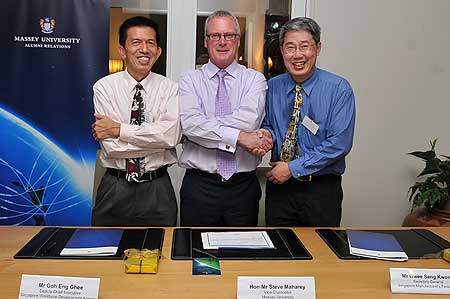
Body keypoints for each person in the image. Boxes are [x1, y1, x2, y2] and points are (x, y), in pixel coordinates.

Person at [178, 10, 271, 226]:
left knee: (240, 257)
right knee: (196, 253)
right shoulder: (190, 80)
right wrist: (241, 137)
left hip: (242, 188)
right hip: (200, 187)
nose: (222, 42)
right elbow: (190, 124)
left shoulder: (255, 80)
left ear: (237, 40)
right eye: (215, 36)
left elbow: (249, 121)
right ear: (205, 41)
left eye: (229, 35)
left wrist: (205, 126)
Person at [261, 17, 356, 227]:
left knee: (321, 254)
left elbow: (339, 143)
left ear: (318, 48)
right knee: (280, 251)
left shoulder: (339, 88)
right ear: (282, 50)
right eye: (290, 47)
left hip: (320, 190)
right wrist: (265, 136)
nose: (297, 55)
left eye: (305, 47)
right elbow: (268, 124)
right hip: (280, 190)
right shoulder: (273, 86)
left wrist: (292, 168)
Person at [91, 16, 180, 226]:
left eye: (150, 43)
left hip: (158, 188)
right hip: (115, 185)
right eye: (136, 42)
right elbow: (111, 148)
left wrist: (119, 129)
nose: (144, 49)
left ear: (158, 51)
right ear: (122, 50)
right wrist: (156, 141)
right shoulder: (104, 88)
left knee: (161, 251)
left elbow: (170, 137)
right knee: (106, 251)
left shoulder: (170, 89)